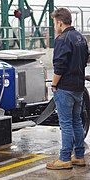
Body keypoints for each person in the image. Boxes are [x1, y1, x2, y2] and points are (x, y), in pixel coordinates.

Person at [46, 8, 89, 170]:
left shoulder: (62, 39)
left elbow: (59, 66)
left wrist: (54, 84)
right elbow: (85, 59)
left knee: (65, 124)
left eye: (54, 24)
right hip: (78, 87)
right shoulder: (80, 37)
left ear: (60, 22)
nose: (54, 27)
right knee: (77, 121)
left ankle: (64, 158)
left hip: (65, 88)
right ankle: (79, 156)